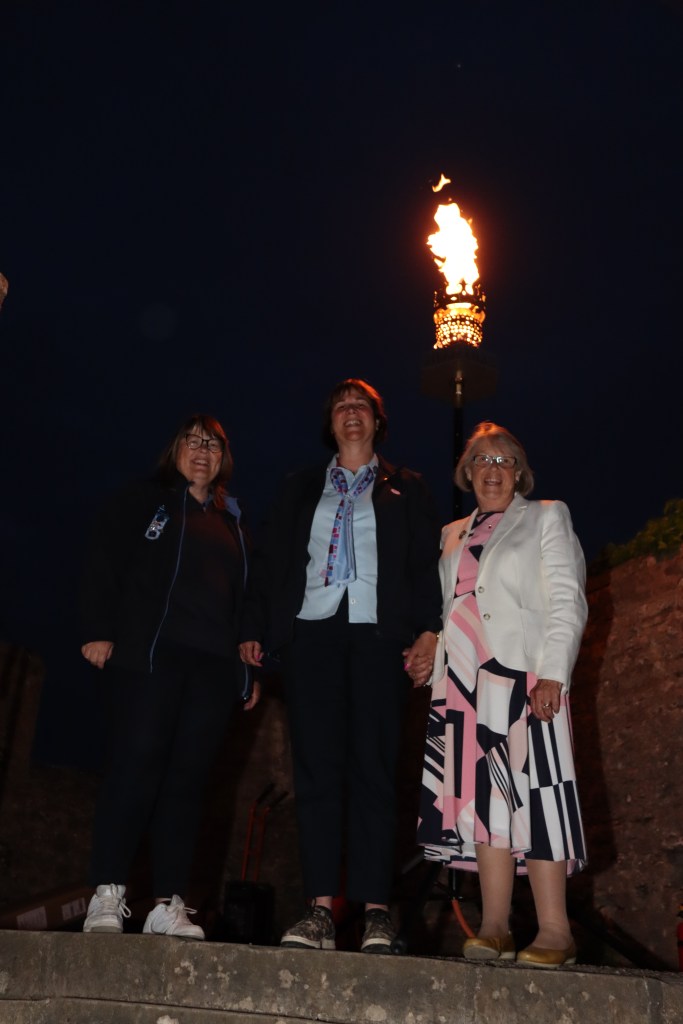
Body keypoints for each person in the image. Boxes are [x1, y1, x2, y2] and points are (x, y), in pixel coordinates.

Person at [239, 378, 442, 953]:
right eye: (341, 407)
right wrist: (254, 628)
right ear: (330, 424)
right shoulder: (299, 486)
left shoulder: (409, 487)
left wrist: (429, 631)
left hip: (381, 637)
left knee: (374, 771)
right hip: (314, 634)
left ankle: (377, 911)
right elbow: (273, 561)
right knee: (318, 772)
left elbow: (425, 568)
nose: (351, 413)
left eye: (362, 406)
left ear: (378, 422)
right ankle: (320, 910)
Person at [415, 421, 587, 968]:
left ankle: (555, 931)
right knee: (484, 797)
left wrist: (553, 673)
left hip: (524, 676)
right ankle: (494, 927)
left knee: (538, 793)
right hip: (463, 684)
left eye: (502, 461)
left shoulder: (545, 516)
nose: (492, 470)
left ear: (519, 472)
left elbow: (567, 599)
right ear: (466, 474)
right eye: (481, 461)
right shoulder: (451, 532)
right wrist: (433, 646)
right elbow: (455, 605)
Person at [80, 414, 259, 939]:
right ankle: (107, 893)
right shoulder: (143, 500)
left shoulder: (235, 525)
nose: (202, 451)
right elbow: (102, 561)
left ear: (224, 458)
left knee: (188, 782)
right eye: (192, 441)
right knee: (135, 767)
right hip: (149, 658)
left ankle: (168, 904)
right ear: (175, 449)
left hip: (210, 670)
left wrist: (247, 669)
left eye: (213, 445)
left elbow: (250, 601)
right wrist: (97, 628)